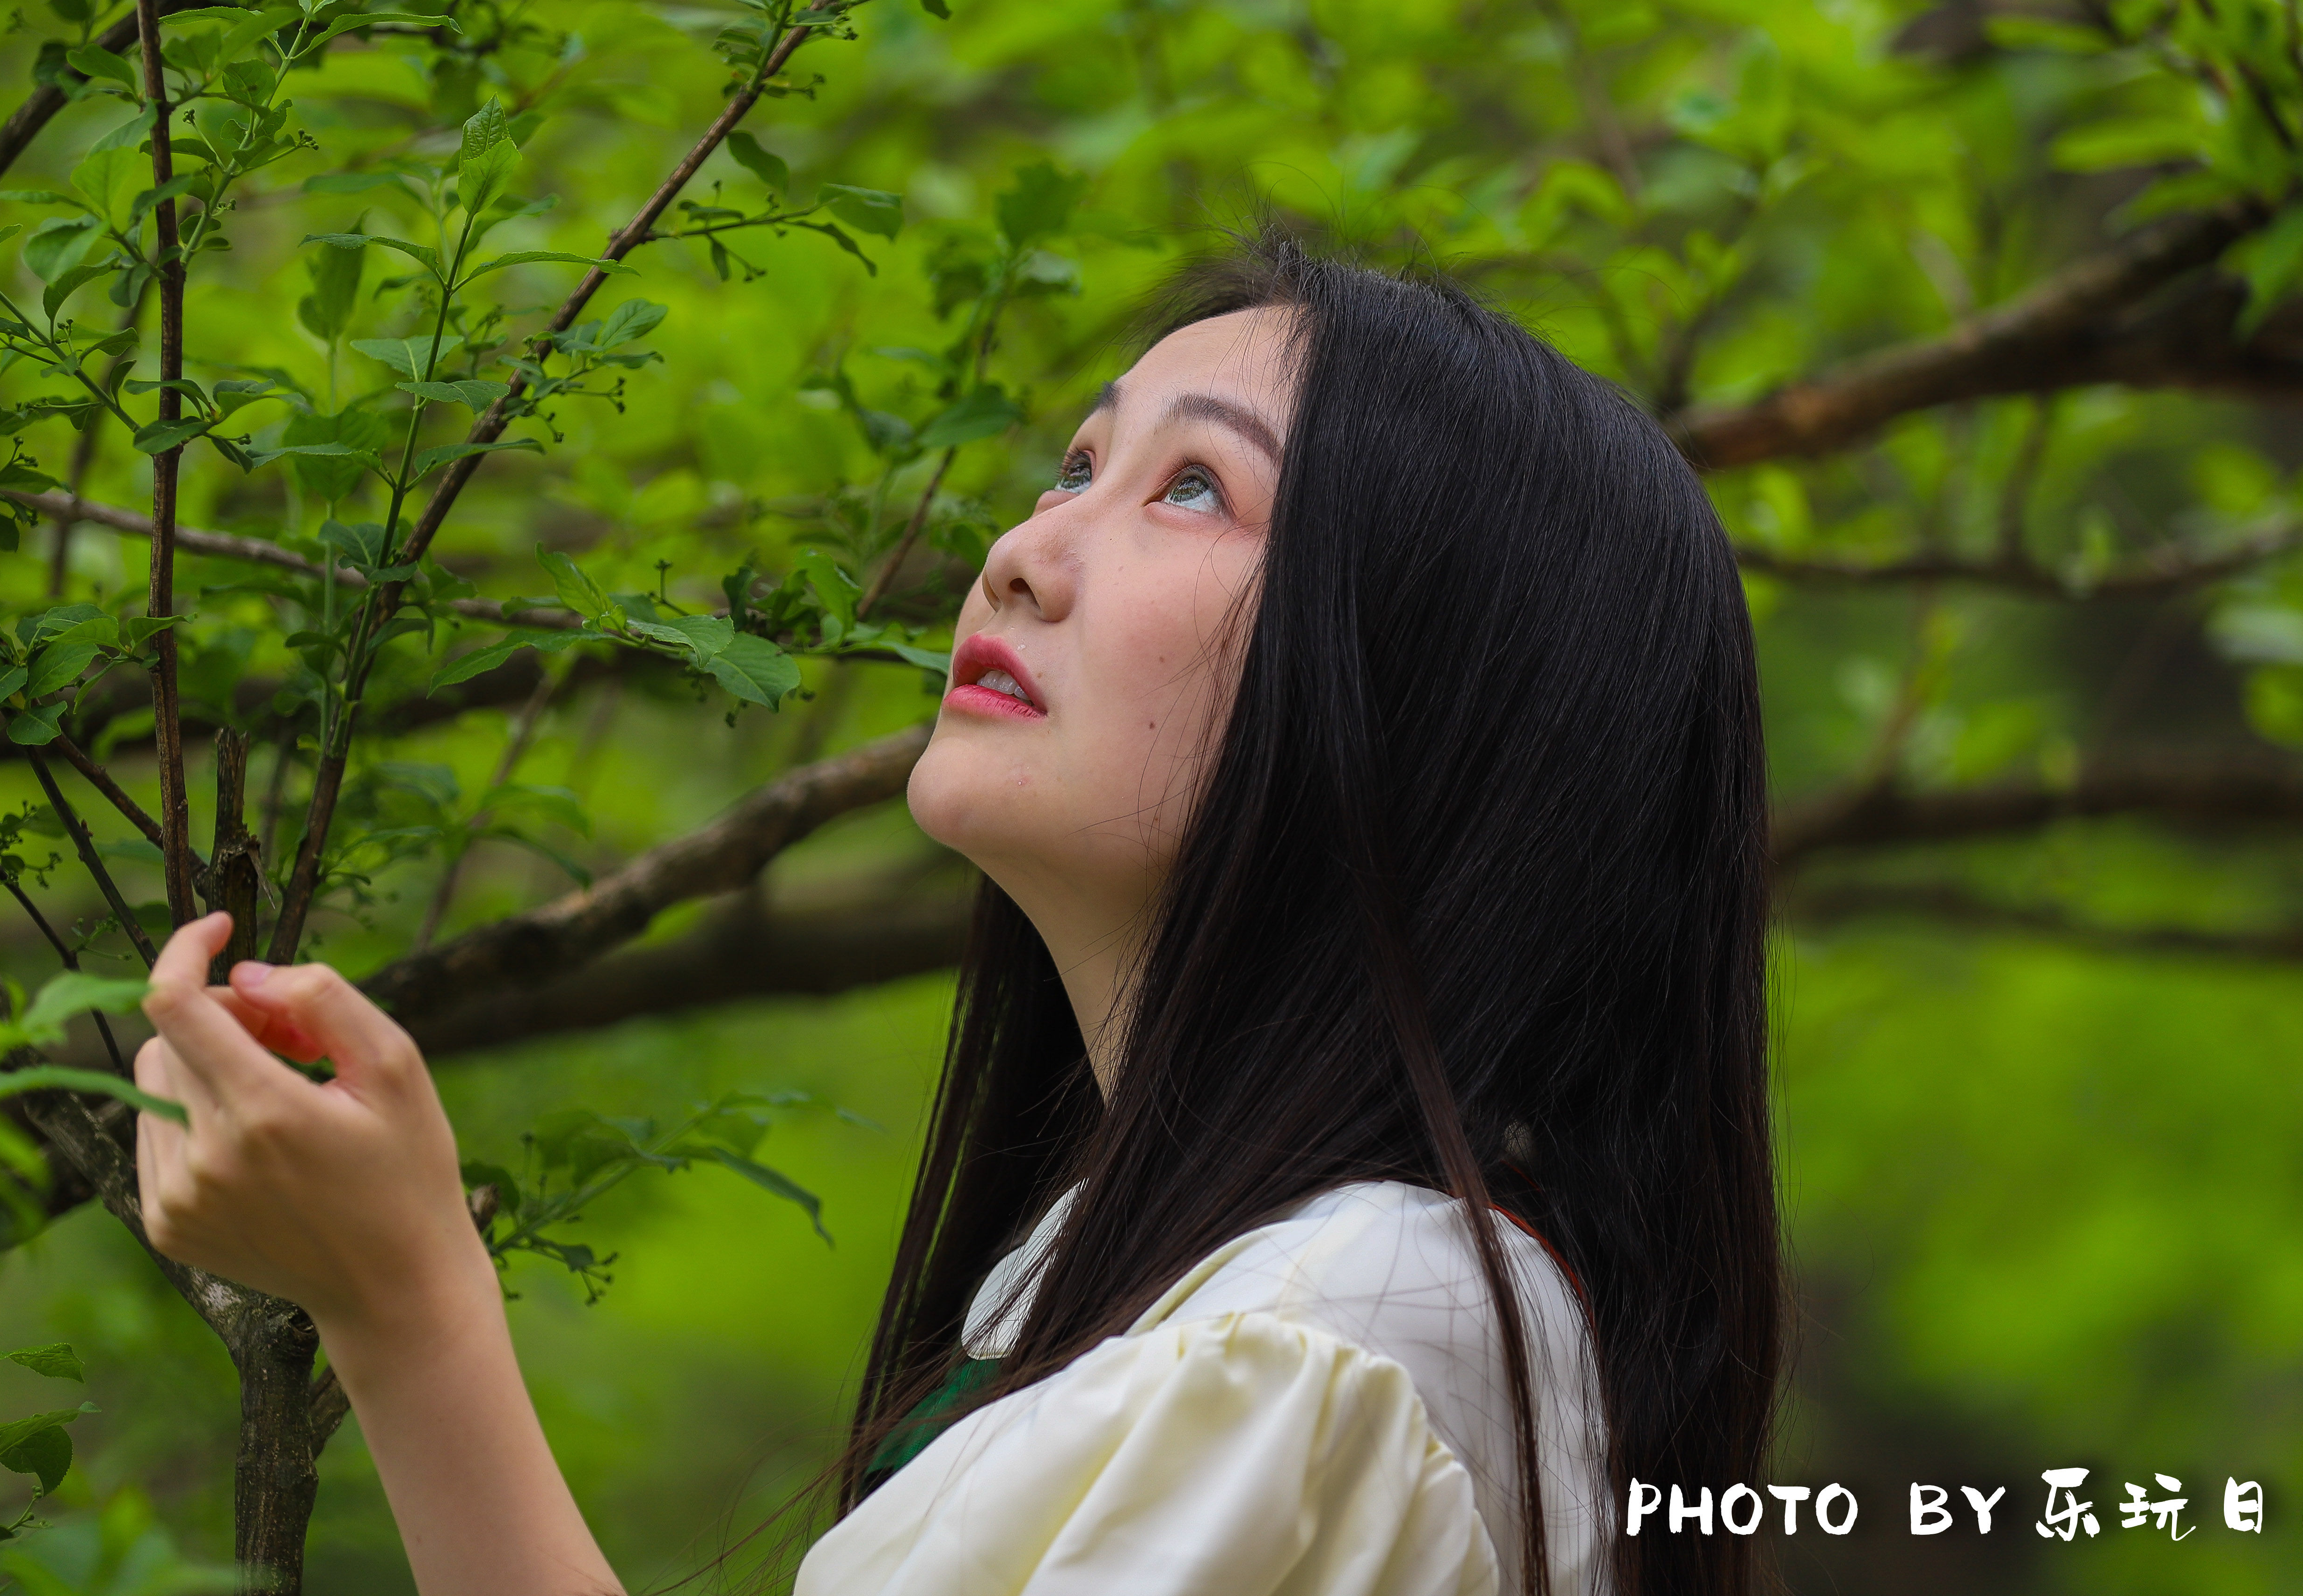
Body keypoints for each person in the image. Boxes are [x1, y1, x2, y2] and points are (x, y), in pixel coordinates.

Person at [132, 235, 1782, 1596]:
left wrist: (415, 1305)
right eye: (1077, 466)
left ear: (1436, 709)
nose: (1023, 551)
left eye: (1195, 489)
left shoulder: (1340, 1338)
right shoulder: (1190, 1302)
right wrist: (387, 1304)